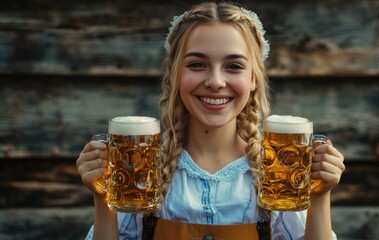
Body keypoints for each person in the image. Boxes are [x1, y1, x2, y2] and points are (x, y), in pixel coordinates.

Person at [76, 2, 345, 239]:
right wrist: (103, 199)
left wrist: (320, 196)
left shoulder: (279, 175)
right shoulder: (141, 171)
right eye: (197, 64)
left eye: (234, 66)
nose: (216, 82)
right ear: (175, 74)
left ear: (253, 78)